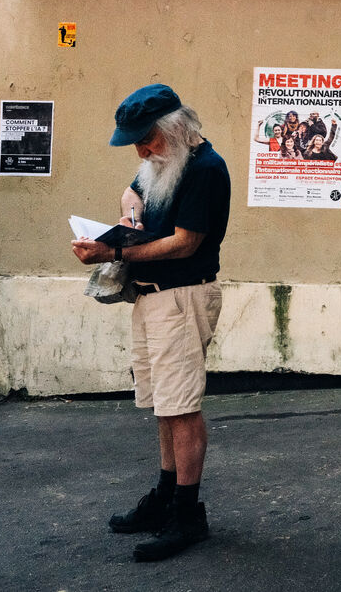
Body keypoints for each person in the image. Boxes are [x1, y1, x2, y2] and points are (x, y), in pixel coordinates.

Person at [71, 84, 231, 563]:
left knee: (181, 408)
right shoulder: (163, 159)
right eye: (136, 143)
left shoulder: (205, 168)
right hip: (152, 297)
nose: (141, 151)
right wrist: (130, 214)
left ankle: (187, 514)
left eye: (147, 139)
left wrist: (114, 252)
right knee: (164, 404)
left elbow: (185, 242)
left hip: (182, 298)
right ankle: (165, 497)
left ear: (175, 129)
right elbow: (132, 190)